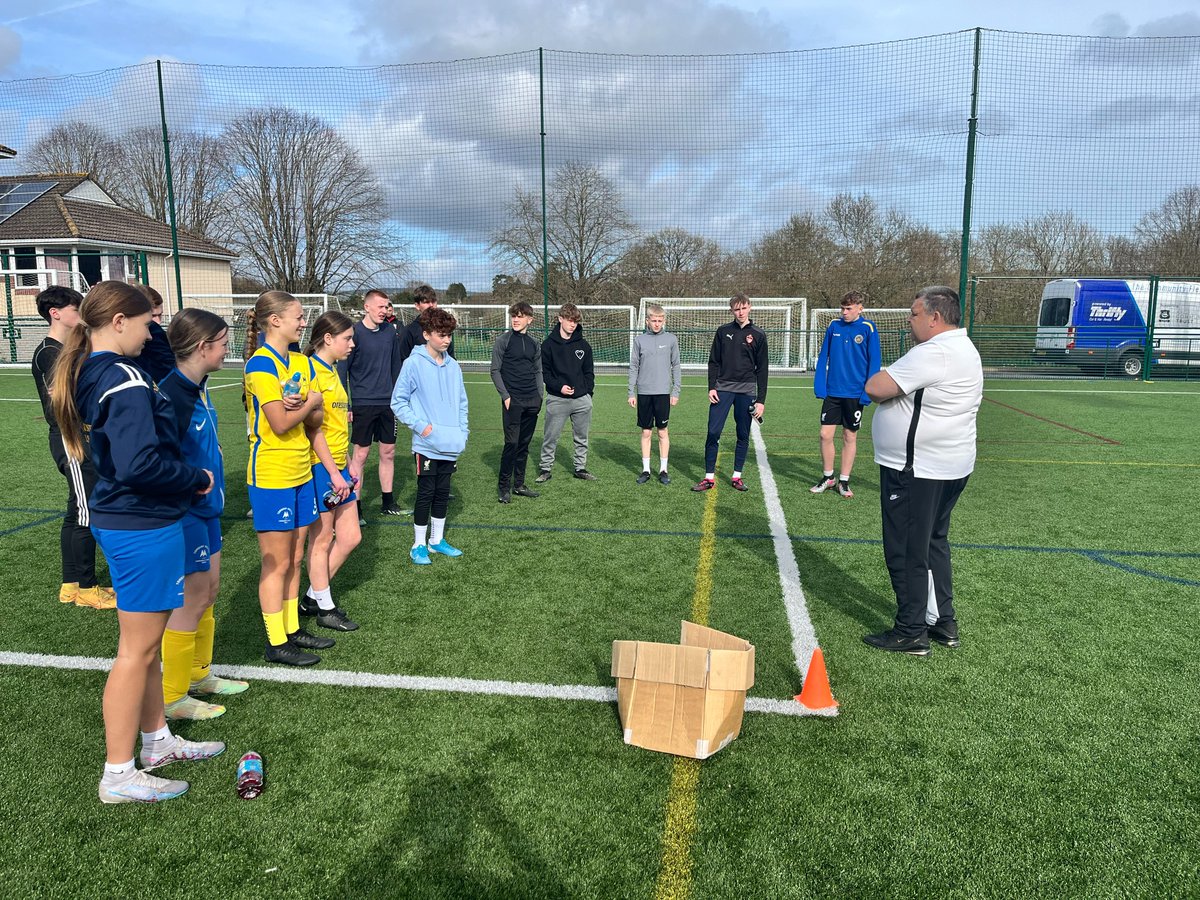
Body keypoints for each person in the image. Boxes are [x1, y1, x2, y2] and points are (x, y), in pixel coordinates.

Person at [50, 280, 224, 804]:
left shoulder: (100, 367)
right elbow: (138, 464)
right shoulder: (121, 378)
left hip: (129, 520)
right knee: (136, 652)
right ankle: (119, 773)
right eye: (148, 322)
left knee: (146, 650)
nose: (154, 333)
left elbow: (158, 357)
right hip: (139, 523)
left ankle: (156, 741)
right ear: (119, 322)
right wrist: (194, 478)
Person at [863, 285, 982, 656]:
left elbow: (876, 387)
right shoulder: (965, 347)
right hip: (949, 465)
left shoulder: (935, 352)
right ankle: (943, 621)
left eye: (914, 314)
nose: (909, 320)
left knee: (906, 548)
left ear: (935, 317)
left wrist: (890, 382)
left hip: (917, 469)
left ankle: (911, 630)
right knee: (933, 543)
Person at [158, 309, 249, 720]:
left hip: (208, 510)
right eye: (224, 343)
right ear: (202, 346)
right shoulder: (171, 394)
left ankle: (199, 675)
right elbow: (158, 460)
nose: (228, 350)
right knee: (190, 601)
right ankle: (173, 697)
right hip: (186, 513)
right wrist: (193, 480)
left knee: (209, 593)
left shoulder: (198, 387)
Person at [244, 290, 335, 666]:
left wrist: (308, 406)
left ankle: (292, 628)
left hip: (301, 470)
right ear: (275, 321)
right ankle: (275, 642)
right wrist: (309, 404)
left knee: (295, 557)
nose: (303, 322)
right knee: (277, 562)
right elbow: (280, 423)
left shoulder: (299, 361)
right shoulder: (260, 365)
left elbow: (316, 419)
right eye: (298, 317)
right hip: (272, 474)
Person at [31, 286, 116, 609]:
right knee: (86, 512)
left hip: (80, 435)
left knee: (76, 509)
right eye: (75, 309)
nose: (81, 315)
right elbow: (63, 400)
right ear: (55, 313)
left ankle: (71, 584)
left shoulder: (70, 349)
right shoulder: (49, 352)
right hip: (70, 437)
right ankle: (86, 588)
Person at [300, 311, 363, 631]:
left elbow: (335, 426)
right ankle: (325, 608)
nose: (352, 344)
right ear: (327, 338)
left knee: (351, 537)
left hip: (339, 465)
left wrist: (348, 463)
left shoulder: (333, 369)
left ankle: (312, 596)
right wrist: (334, 473)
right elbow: (314, 431)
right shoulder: (310, 371)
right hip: (321, 468)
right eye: (347, 338)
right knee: (322, 538)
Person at [391, 307, 469, 564]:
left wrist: (463, 432)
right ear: (426, 334)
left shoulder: (454, 366)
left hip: (450, 442)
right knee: (426, 492)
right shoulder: (413, 363)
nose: (446, 340)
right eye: (441, 334)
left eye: (449, 335)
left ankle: (436, 541)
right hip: (426, 444)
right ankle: (418, 544)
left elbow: (462, 403)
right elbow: (398, 402)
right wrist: (422, 427)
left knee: (443, 491)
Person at [340, 289, 405, 520]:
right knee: (361, 455)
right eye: (380, 306)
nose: (384, 311)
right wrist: (346, 405)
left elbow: (396, 366)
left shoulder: (390, 332)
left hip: (388, 403)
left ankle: (388, 502)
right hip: (362, 404)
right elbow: (342, 371)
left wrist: (399, 398)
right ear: (366, 307)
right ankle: (355, 508)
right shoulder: (354, 333)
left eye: (386, 307)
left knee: (388, 452)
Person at [692, 294, 768, 493]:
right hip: (723, 389)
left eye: (743, 308)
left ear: (750, 307)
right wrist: (711, 387)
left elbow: (762, 370)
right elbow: (714, 362)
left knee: (742, 434)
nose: (740, 312)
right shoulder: (723, 331)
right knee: (713, 431)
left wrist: (760, 400)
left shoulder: (759, 335)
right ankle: (709, 478)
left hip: (746, 391)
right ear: (731, 311)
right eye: (736, 309)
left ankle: (737, 476)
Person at [811, 291, 882, 499]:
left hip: (855, 393)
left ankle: (844, 481)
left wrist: (868, 392)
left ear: (860, 308)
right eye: (842, 308)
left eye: (849, 308)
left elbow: (874, 362)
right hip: (833, 391)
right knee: (825, 434)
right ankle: (828, 477)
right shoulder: (834, 326)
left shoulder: (868, 328)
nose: (844, 312)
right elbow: (823, 356)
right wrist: (820, 385)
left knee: (849, 436)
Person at [536, 303, 596, 483]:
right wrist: (559, 387)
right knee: (551, 437)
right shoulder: (548, 345)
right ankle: (545, 469)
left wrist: (587, 394)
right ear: (560, 319)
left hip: (582, 400)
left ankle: (580, 468)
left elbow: (589, 373)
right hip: (557, 399)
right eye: (569, 320)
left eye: (575, 321)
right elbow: (545, 373)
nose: (572, 324)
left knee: (581, 437)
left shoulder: (584, 345)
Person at [491, 301, 544, 503]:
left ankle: (519, 485)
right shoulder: (502, 341)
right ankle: (504, 487)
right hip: (512, 401)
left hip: (532, 400)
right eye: (514, 316)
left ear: (529, 320)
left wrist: (540, 396)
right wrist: (505, 396)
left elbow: (538, 370)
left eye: (520, 316)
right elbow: (495, 370)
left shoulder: (534, 343)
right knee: (511, 444)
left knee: (524, 444)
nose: (515, 319)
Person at [628, 302, 681, 485]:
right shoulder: (639, 340)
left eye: (660, 320)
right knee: (646, 432)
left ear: (663, 321)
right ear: (647, 321)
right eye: (654, 320)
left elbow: (676, 366)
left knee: (663, 431)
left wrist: (675, 391)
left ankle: (663, 470)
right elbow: (634, 366)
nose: (657, 324)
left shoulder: (671, 340)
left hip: (663, 393)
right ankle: (646, 470)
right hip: (644, 393)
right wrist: (631, 392)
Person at [397, 284, 455, 362]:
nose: (431, 305)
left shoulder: (443, 327)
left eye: (433, 301)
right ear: (417, 306)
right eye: (426, 302)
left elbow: (450, 358)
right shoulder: (409, 331)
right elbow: (402, 359)